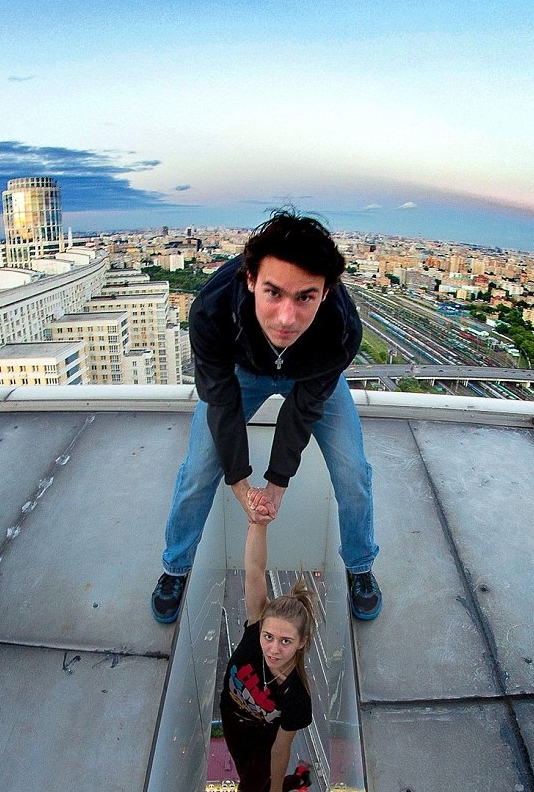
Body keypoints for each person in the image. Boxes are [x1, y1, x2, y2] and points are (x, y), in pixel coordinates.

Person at [150, 209, 381, 624]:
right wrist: (240, 485)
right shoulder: (212, 310)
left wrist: (275, 486)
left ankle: (360, 565)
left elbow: (303, 411)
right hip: (244, 372)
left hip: (310, 376)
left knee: (353, 471)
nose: (286, 318)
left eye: (305, 296)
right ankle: (175, 567)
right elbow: (219, 401)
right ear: (250, 279)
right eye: (274, 293)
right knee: (198, 470)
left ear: (326, 292)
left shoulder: (341, 328)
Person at [221, 505, 316, 792]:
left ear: (302, 643)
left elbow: (280, 750)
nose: (273, 648)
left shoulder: (296, 699)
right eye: (269, 637)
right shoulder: (254, 629)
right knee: (250, 783)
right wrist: (256, 524)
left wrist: (277, 791)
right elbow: (255, 571)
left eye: (286, 641)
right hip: (232, 722)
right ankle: (297, 783)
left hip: (263, 740)